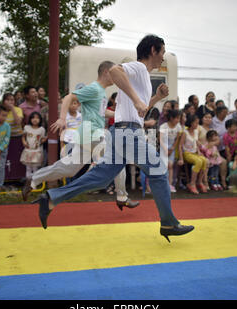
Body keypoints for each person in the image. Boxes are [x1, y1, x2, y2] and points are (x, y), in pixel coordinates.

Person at [32, 35, 194, 242]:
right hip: (127, 133)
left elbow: (139, 112)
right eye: (162, 52)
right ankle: (169, 223)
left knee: (101, 176)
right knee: (159, 171)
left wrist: (155, 99)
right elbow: (115, 71)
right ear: (153, 50)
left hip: (122, 131)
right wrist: (138, 101)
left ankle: (51, 199)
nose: (163, 57)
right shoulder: (138, 67)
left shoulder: (139, 77)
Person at [23, 61, 138, 211]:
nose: (117, 77)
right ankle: (122, 197)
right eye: (114, 73)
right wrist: (62, 118)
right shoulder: (94, 88)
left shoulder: (101, 91)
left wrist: (120, 115)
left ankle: (33, 179)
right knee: (117, 160)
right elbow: (68, 97)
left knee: (69, 169)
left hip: (87, 135)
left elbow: (102, 113)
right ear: (106, 72)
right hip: (92, 133)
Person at [179, 114, 208, 194]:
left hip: (195, 152)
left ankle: (199, 182)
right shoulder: (185, 133)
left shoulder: (196, 131)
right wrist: (181, 158)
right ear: (191, 123)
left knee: (204, 160)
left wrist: (199, 151)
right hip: (187, 153)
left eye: (198, 123)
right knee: (198, 161)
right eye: (196, 123)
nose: (197, 125)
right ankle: (192, 183)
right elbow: (180, 146)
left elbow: (196, 142)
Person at [159, 109, 183, 192]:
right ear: (171, 118)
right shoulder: (164, 126)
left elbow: (177, 138)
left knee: (170, 165)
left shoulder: (178, 126)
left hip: (172, 147)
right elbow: (161, 139)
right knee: (164, 166)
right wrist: (165, 149)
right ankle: (163, 184)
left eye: (179, 118)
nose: (178, 120)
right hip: (163, 147)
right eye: (176, 118)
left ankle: (170, 184)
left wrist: (172, 148)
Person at [21, 112, 47, 179]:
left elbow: (41, 140)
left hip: (37, 151)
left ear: (40, 120)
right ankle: (28, 182)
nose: (35, 119)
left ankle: (34, 182)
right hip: (28, 150)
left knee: (35, 168)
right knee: (28, 168)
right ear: (30, 119)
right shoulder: (26, 127)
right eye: (33, 117)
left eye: (37, 118)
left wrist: (47, 137)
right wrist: (24, 142)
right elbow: (23, 136)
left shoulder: (42, 129)